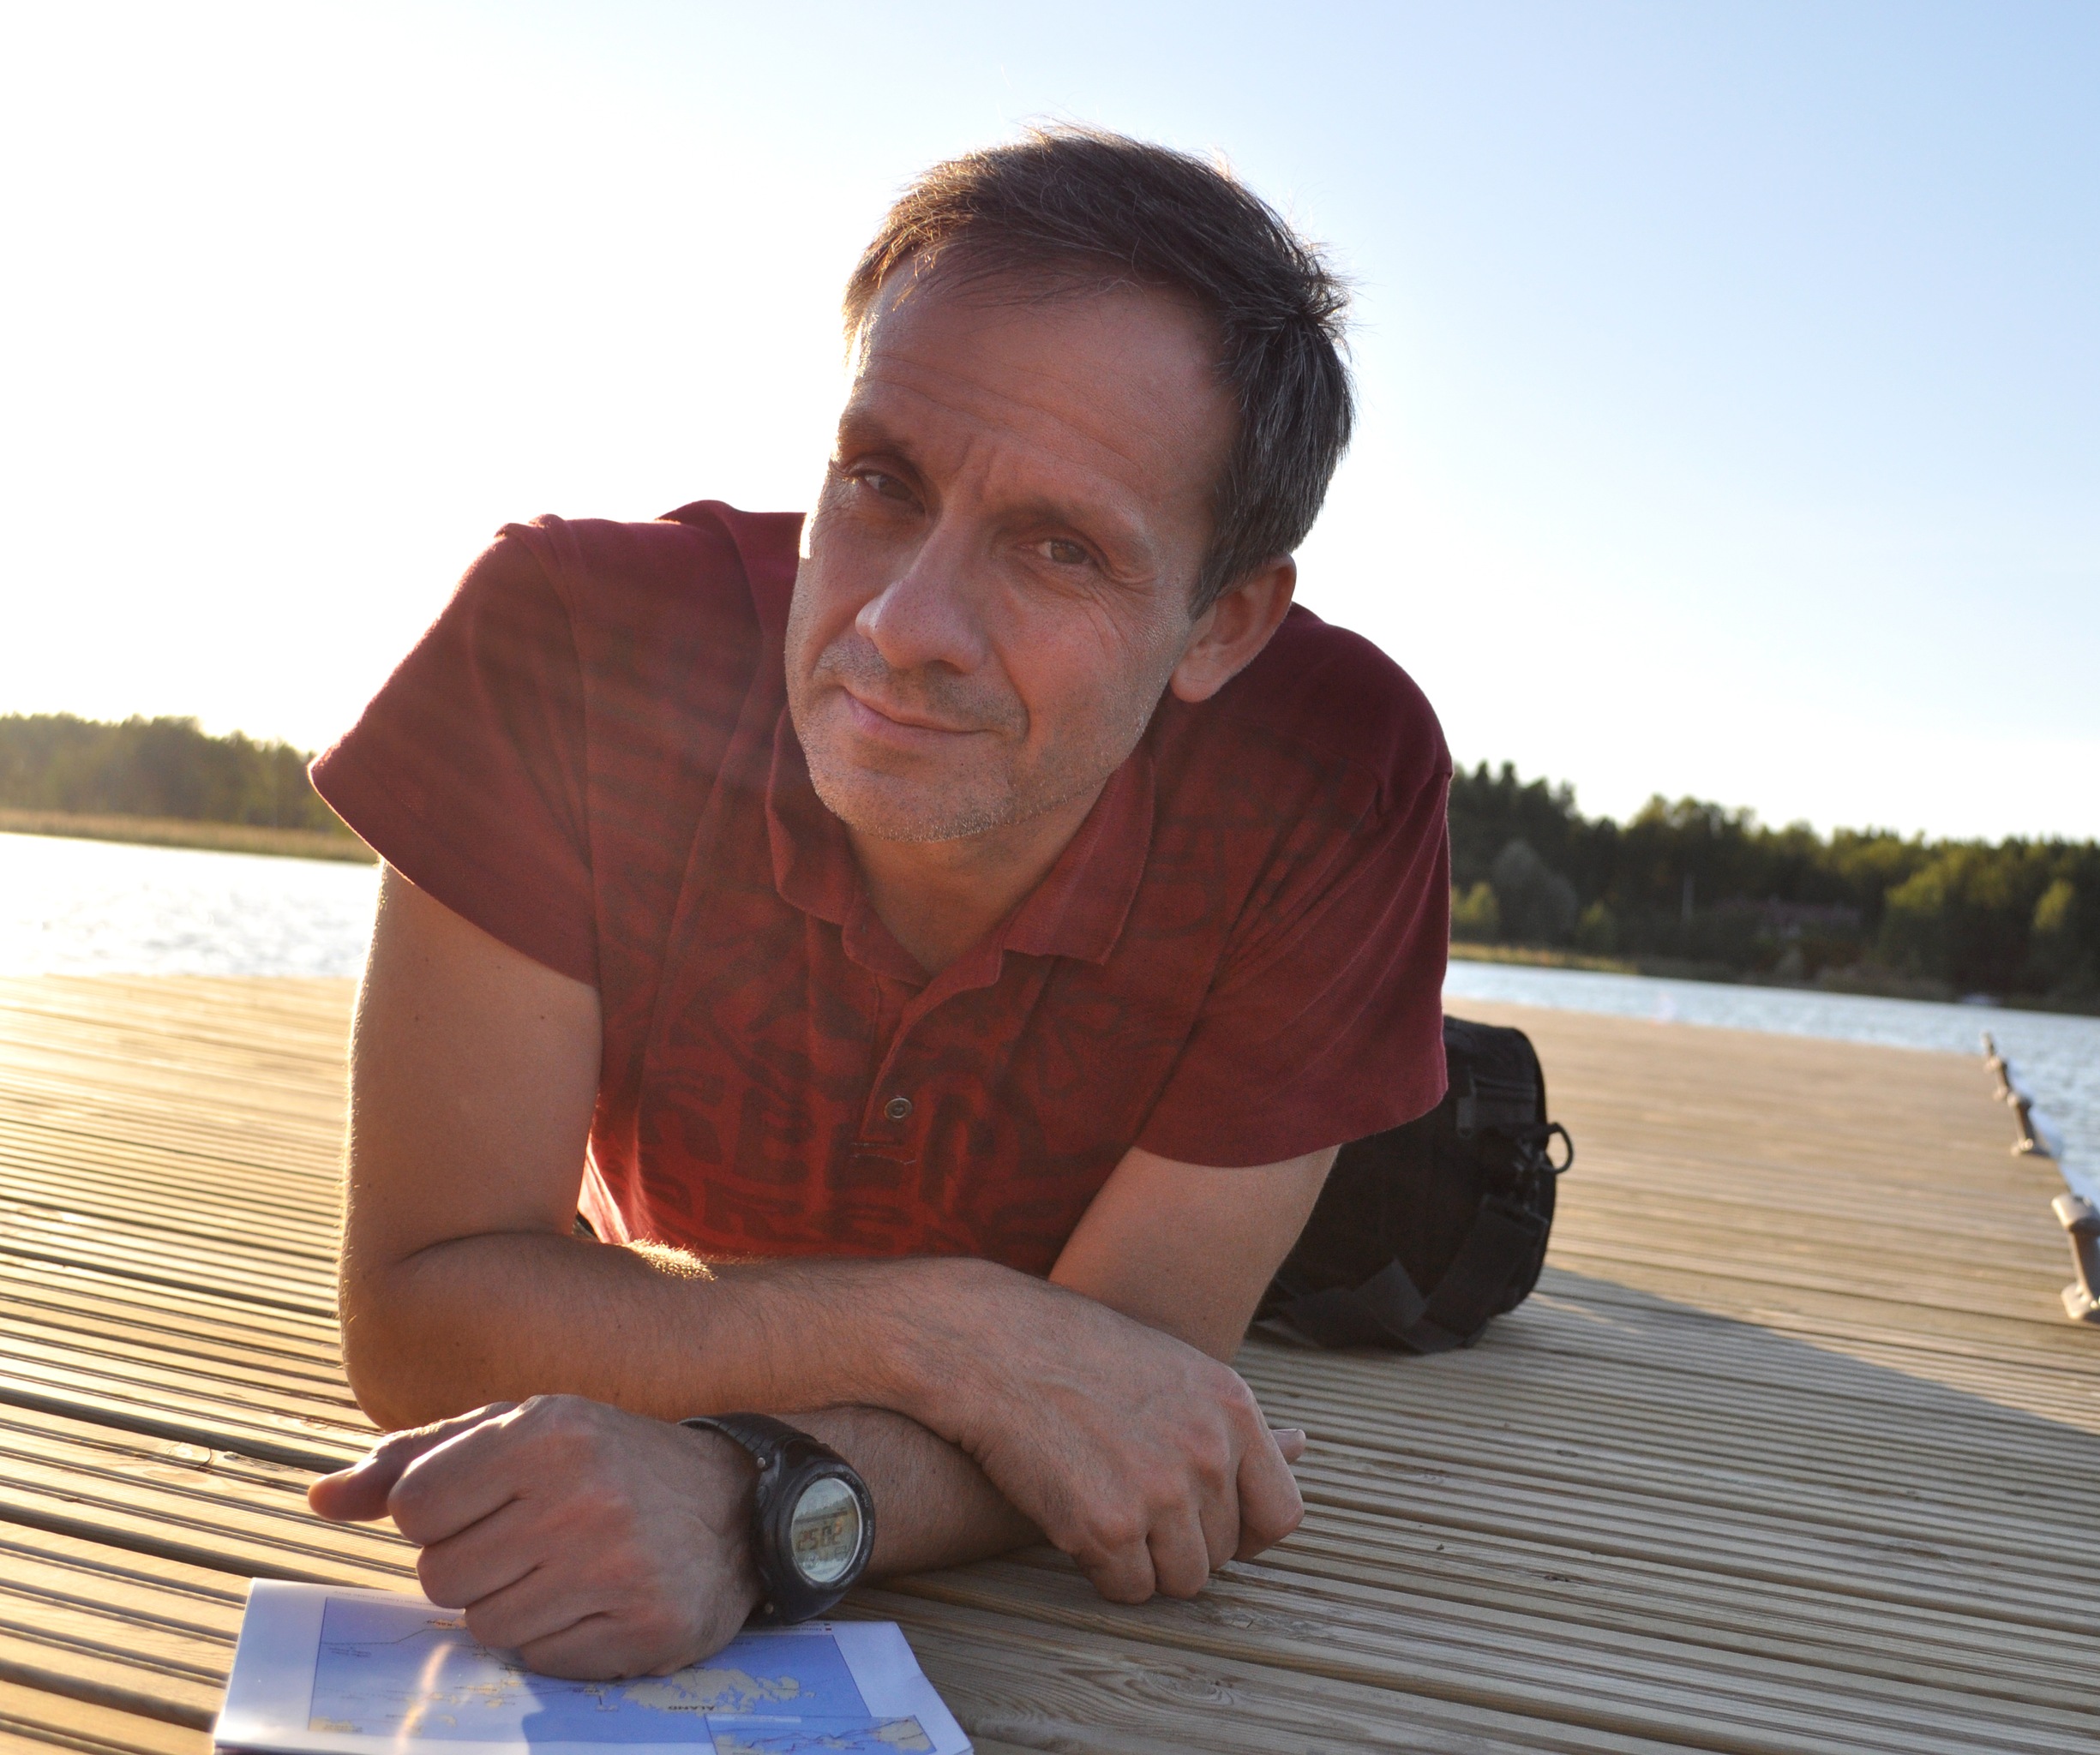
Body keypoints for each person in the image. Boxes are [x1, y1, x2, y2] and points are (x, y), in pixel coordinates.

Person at [303, 127, 1452, 1681]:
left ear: (1223, 626)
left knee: (1430, 1226)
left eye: (1058, 548)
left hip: (1201, 1161)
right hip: (834, 1279)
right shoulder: (566, 643)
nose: (906, 626)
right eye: (880, 481)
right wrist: (951, 1332)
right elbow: (419, 1315)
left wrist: (751, 1499)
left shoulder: (1340, 771)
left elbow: (1123, 1391)